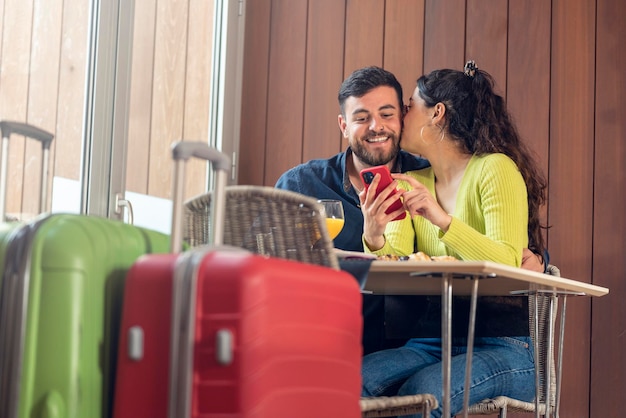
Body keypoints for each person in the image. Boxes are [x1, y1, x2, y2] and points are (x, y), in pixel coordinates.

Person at [276, 66, 545, 355]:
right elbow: (262, 254)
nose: (376, 126)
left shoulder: (421, 178)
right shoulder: (302, 184)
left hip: (406, 343)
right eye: (362, 118)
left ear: (403, 119)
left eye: (389, 113)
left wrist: (539, 259)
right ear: (344, 126)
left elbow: (506, 245)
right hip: (322, 338)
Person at [359, 61, 548, 417]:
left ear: (438, 113)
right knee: (351, 380)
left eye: (410, 105)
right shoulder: (409, 181)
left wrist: (442, 220)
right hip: (432, 341)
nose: (402, 114)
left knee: (424, 392)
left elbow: (508, 260)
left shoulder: (494, 169)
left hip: (505, 346)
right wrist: (375, 234)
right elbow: (395, 256)